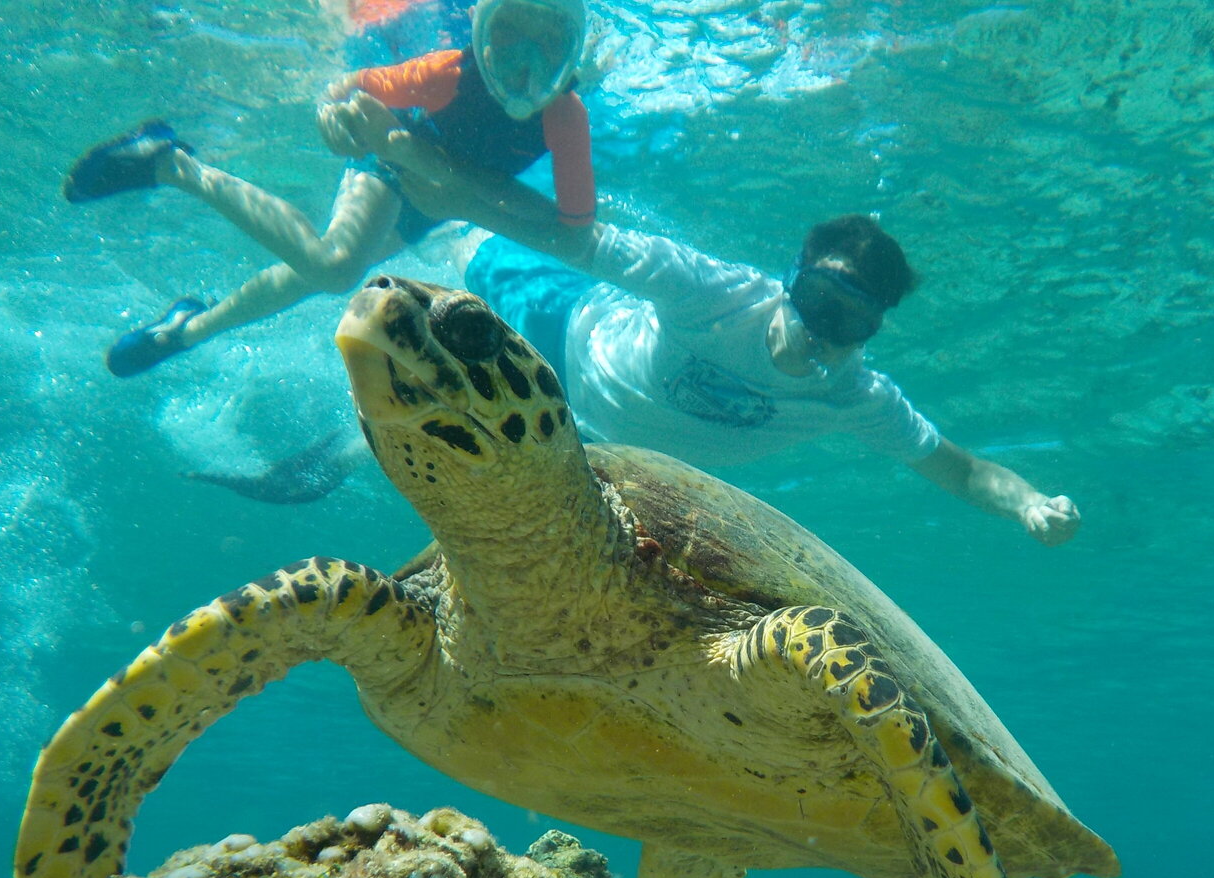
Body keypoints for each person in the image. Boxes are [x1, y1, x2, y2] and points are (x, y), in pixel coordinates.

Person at [324, 92, 1082, 544]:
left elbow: (961, 467)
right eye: (818, 302)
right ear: (790, 285)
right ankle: (431, 228)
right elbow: (575, 238)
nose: (822, 332)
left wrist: (1028, 505)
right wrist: (443, 180)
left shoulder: (857, 399)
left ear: (869, 336)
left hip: (600, 444)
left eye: (850, 324)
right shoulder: (716, 292)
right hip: (563, 326)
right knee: (470, 261)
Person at [62, 0, 596, 379]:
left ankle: (184, 329)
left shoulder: (565, 117)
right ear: (481, 29)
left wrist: (457, 187)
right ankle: (172, 165)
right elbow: (351, 86)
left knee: (308, 277)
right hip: (390, 161)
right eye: (508, 38)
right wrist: (333, 112)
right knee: (335, 266)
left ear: (571, 57)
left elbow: (572, 228)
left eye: (547, 46)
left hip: (428, 197)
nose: (523, 67)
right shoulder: (450, 73)